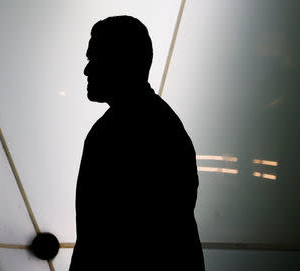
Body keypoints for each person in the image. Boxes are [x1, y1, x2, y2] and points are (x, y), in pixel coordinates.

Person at [69, 15, 205, 270]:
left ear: (119, 62)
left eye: (93, 58)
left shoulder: (118, 131)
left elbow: (99, 240)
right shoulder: (159, 125)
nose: (87, 69)